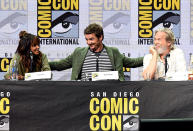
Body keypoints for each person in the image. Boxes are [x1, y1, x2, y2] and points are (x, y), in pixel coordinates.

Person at [49, 23, 143, 81]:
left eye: (91, 39)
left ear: (100, 37)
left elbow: (133, 62)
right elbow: (59, 65)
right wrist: (39, 63)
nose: (88, 42)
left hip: (108, 96)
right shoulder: (78, 53)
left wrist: (152, 57)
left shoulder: (114, 52)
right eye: (86, 39)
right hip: (83, 95)